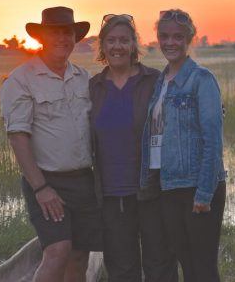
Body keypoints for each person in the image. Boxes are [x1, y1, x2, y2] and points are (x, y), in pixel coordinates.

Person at [0, 6, 102, 282]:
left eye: (67, 32)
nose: (62, 39)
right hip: (46, 181)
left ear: (74, 37)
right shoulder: (21, 80)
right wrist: (41, 188)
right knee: (58, 251)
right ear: (41, 38)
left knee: (80, 255)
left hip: (83, 179)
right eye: (54, 32)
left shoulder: (83, 78)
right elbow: (18, 136)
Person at [89, 14, 177, 282]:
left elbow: (179, 117)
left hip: (152, 191)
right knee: (121, 269)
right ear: (102, 46)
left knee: (160, 265)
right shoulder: (93, 87)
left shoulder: (154, 81)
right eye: (111, 41)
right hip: (111, 196)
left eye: (124, 40)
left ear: (134, 45)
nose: (118, 46)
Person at [140, 9, 227, 282]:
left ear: (189, 38)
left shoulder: (201, 79)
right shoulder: (159, 82)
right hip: (169, 185)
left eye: (178, 37)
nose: (170, 42)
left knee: (202, 268)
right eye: (164, 36)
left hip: (196, 185)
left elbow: (212, 140)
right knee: (186, 262)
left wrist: (204, 193)